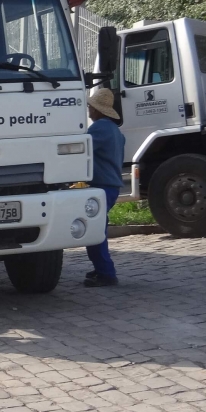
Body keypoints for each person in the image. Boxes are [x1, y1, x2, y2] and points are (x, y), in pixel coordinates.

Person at [85, 89, 125, 287]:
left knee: (94, 230)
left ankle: (106, 273)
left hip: (101, 187)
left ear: (98, 110)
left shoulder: (99, 128)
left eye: (91, 107)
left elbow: (82, 149)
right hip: (111, 186)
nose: (89, 110)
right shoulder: (115, 130)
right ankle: (101, 268)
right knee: (98, 228)